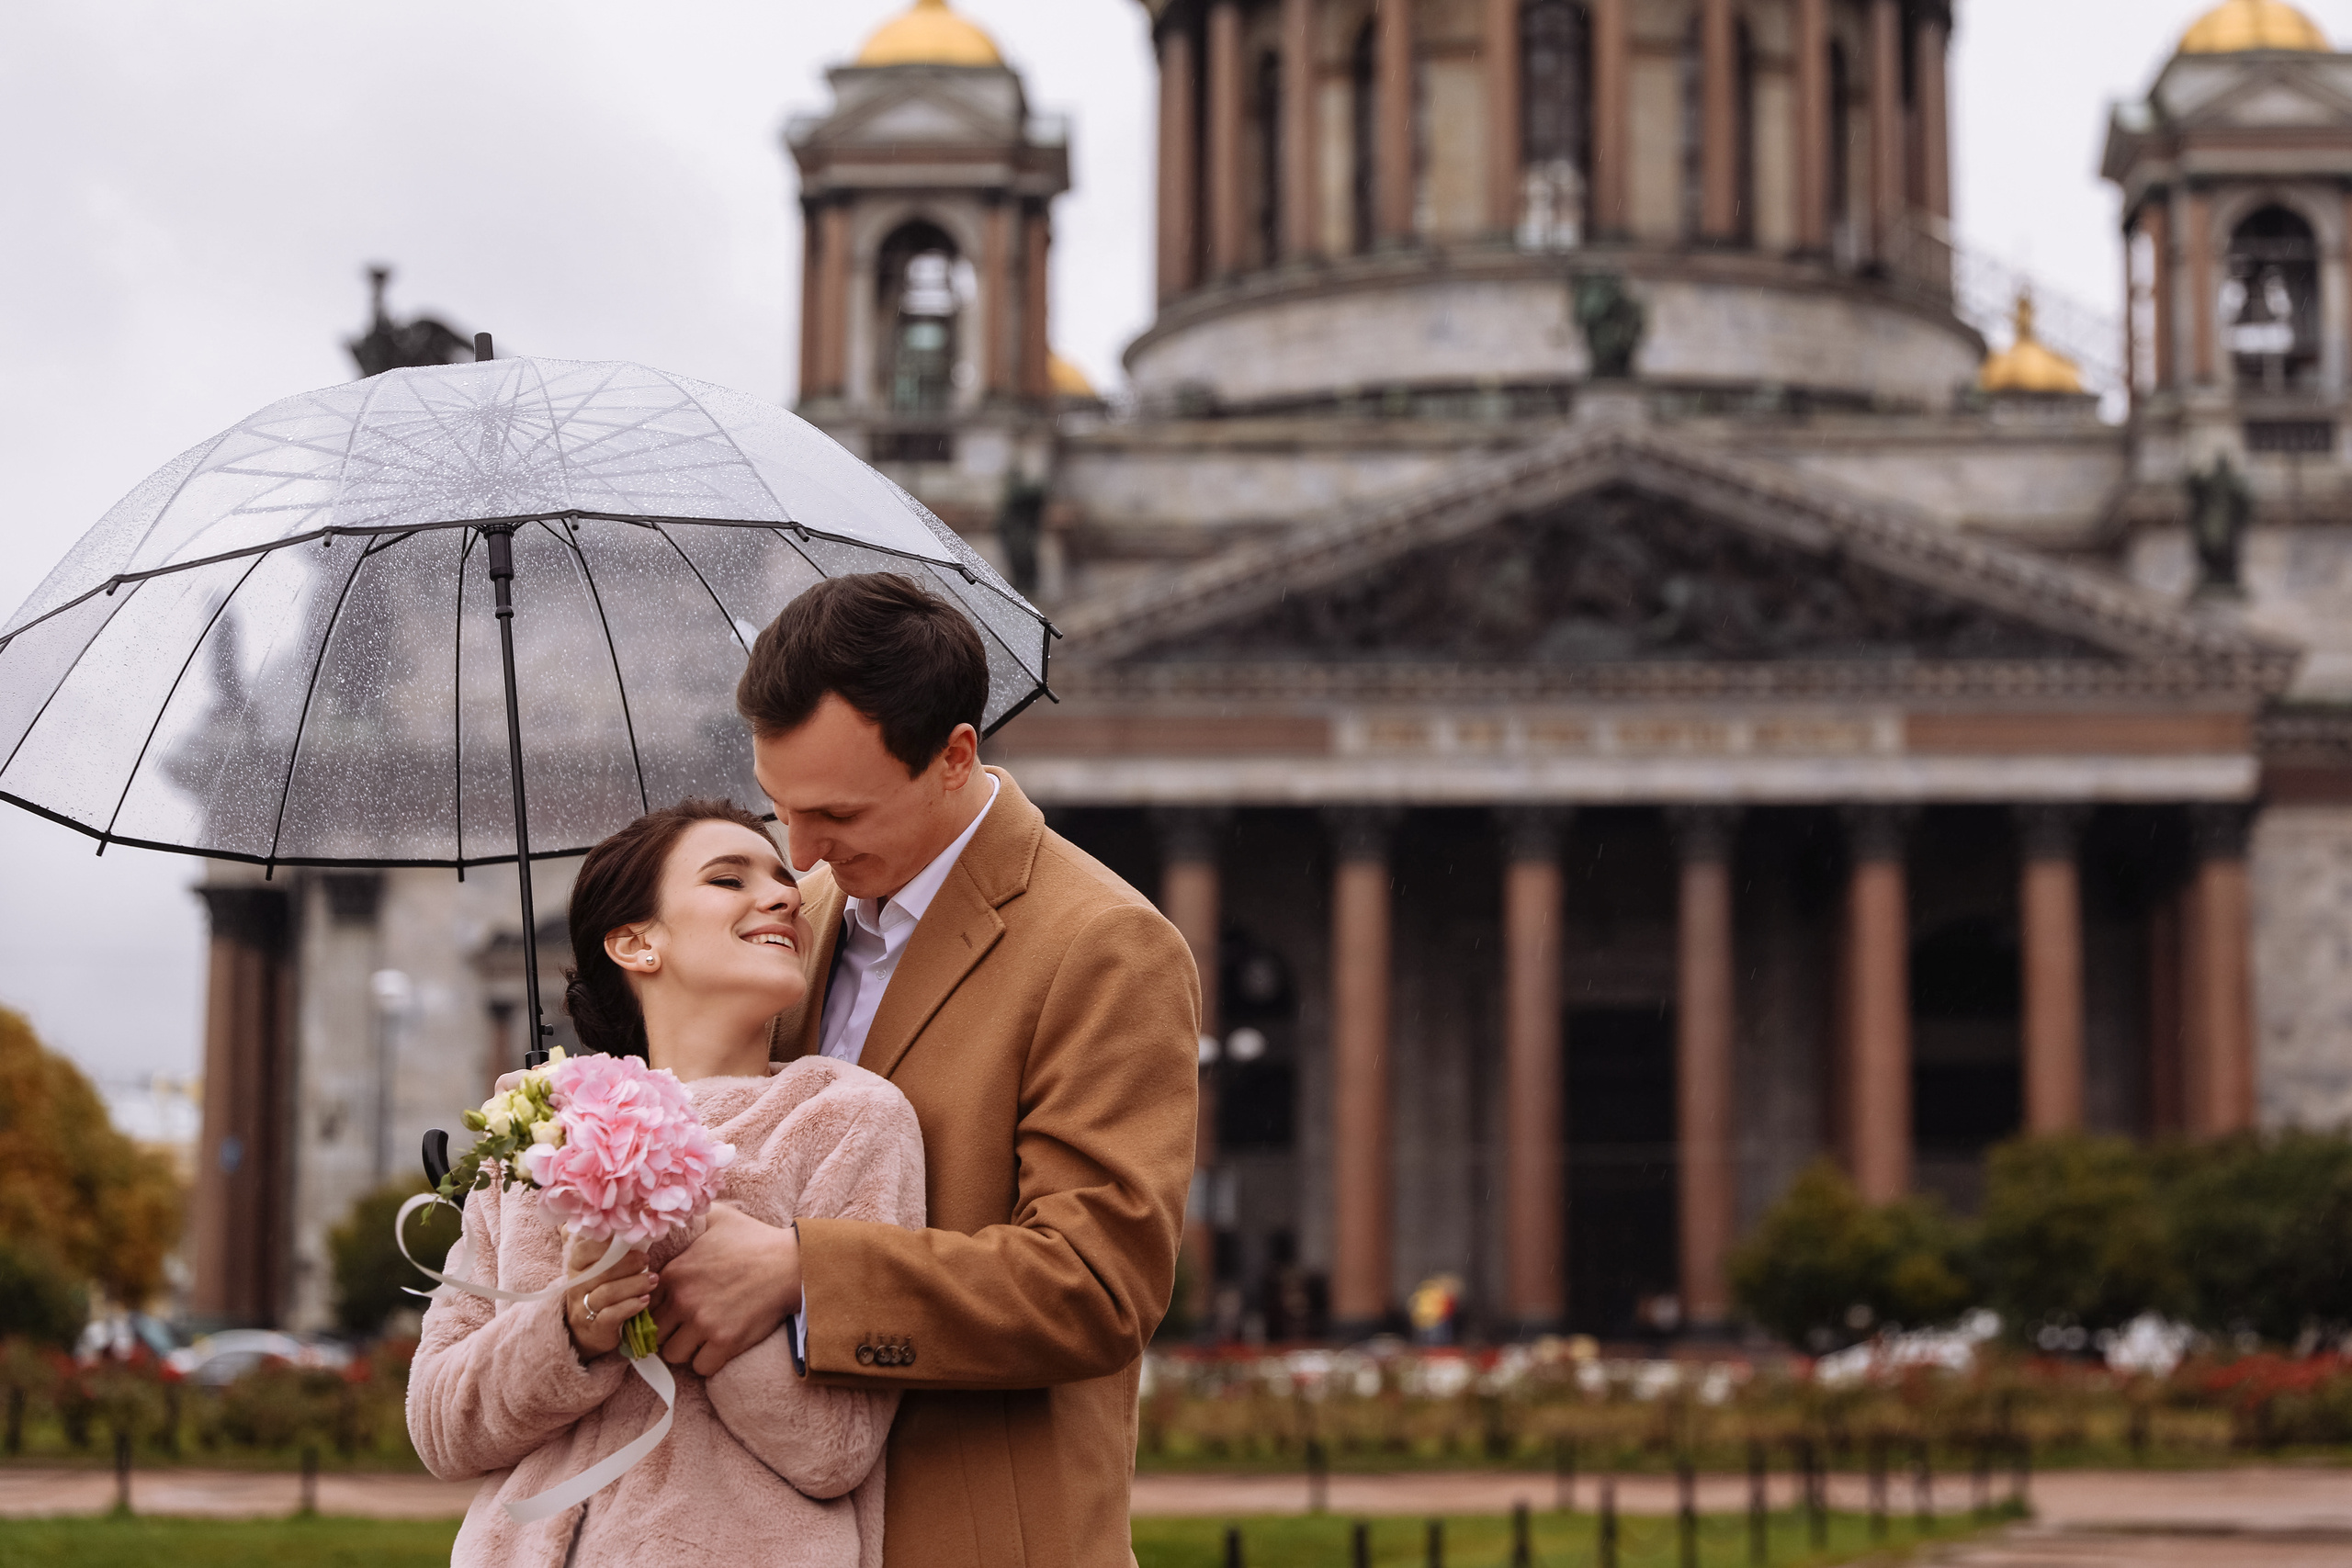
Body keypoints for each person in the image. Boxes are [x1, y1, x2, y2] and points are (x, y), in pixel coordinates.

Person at [649, 573, 1200, 1568]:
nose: (799, 851)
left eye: (836, 814)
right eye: (779, 808)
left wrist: (801, 1272)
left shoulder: (1104, 945)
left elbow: (1095, 1284)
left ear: (954, 757)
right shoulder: (800, 916)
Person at [409, 799, 925, 1568]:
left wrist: (675, 1235)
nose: (787, 893)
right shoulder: (539, 1134)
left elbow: (833, 1448)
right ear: (635, 942)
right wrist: (570, 1331)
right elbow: (441, 1428)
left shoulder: (847, 1118)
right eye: (728, 878)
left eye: (785, 878)